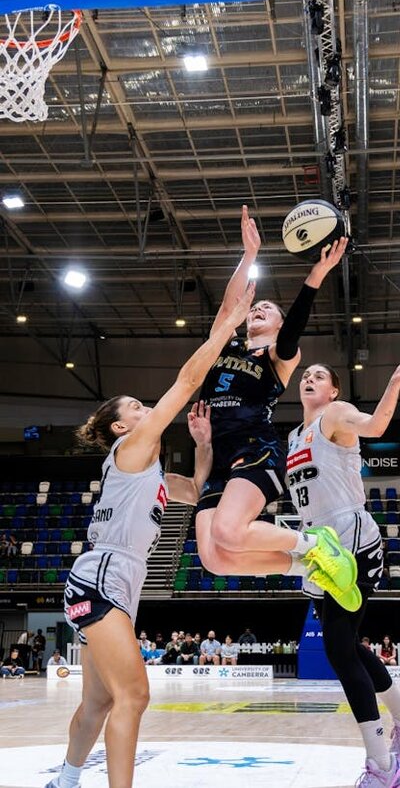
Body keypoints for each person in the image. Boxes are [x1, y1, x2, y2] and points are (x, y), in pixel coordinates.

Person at [45, 287, 255, 788]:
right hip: (104, 575)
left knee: (99, 700)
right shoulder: (133, 445)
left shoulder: (149, 472)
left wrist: (203, 446)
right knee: (134, 696)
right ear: (122, 425)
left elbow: (195, 490)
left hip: (116, 579)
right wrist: (225, 330)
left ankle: (64, 782)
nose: (148, 410)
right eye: (138, 406)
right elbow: (187, 381)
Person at [193, 205, 357, 611]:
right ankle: (307, 566)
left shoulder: (279, 356)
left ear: (280, 324)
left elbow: (294, 328)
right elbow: (228, 308)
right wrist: (248, 255)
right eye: (256, 307)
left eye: (268, 308)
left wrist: (315, 276)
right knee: (214, 559)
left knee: (229, 532)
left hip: (255, 447)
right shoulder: (225, 345)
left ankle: (315, 543)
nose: (258, 309)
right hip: (217, 456)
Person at [287, 362, 400, 787]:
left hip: (351, 540)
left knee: (338, 649)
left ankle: (383, 766)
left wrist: (394, 382)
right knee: (347, 645)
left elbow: (375, 426)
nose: (309, 378)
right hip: (318, 546)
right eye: (306, 375)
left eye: (319, 376)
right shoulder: (293, 437)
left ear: (334, 390)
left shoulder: (335, 415)